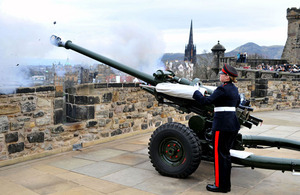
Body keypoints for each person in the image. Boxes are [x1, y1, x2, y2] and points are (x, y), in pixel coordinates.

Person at [193, 64, 240, 193]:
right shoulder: (234, 89)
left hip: (222, 126)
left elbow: (205, 102)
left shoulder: (222, 89)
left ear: (227, 77)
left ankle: (220, 186)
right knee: (225, 155)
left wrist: (195, 92)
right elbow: (236, 103)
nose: (220, 75)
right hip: (232, 125)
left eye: (222, 74)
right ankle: (226, 185)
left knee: (219, 156)